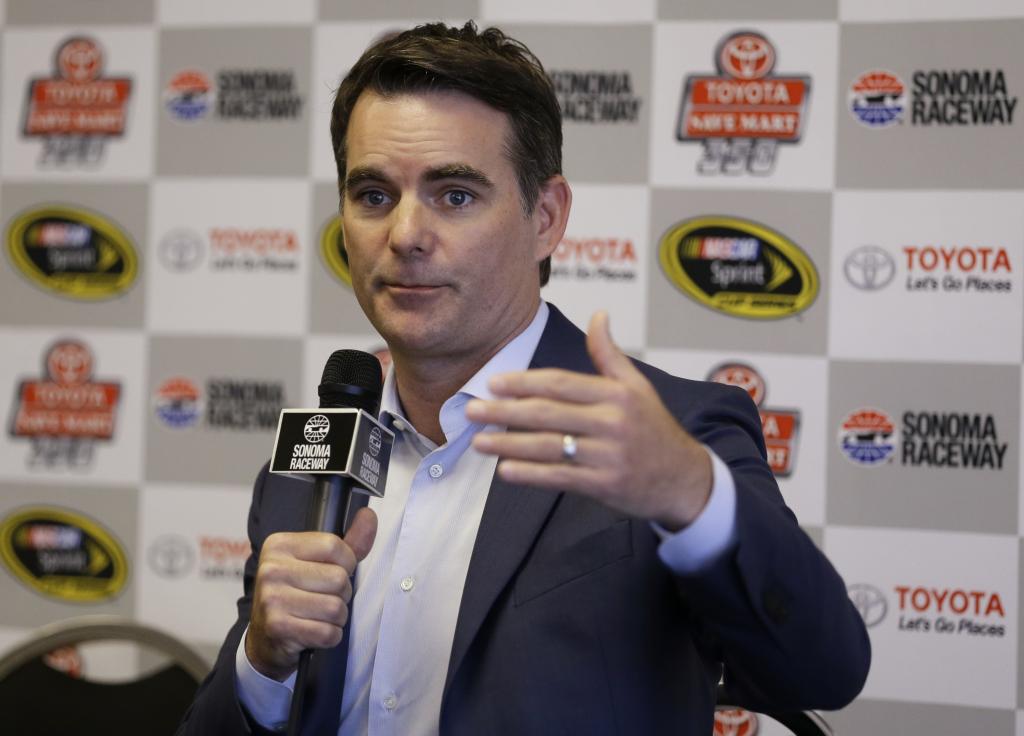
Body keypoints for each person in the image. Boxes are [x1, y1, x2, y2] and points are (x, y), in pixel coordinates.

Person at [177, 21, 869, 736]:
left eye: (454, 195)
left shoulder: (666, 436)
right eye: (375, 195)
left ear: (545, 218)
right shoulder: (309, 464)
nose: (406, 233)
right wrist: (264, 661)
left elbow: (825, 670)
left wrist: (690, 493)